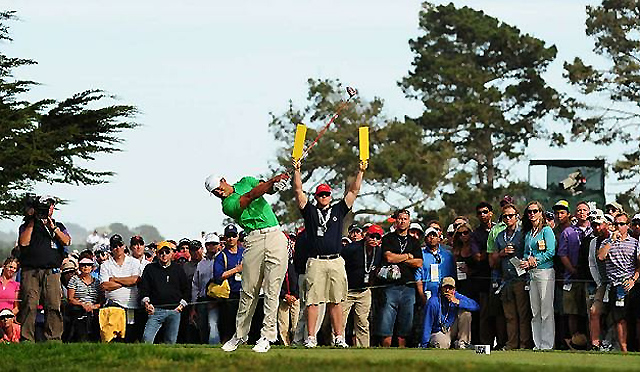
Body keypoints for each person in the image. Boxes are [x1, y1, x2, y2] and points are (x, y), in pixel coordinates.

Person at [205, 171, 290, 353]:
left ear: (224, 180)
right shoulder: (227, 206)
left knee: (272, 290)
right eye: (214, 193)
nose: (218, 193)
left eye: (218, 188)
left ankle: (267, 336)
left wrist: (275, 185)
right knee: (248, 291)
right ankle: (240, 335)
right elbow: (250, 196)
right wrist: (272, 181)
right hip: (254, 240)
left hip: (275, 235)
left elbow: (264, 188)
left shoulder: (246, 180)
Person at [292, 158, 366, 349]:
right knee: (312, 301)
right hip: (315, 261)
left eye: (326, 194)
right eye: (320, 195)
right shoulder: (310, 212)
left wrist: (360, 171)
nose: (324, 197)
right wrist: (297, 171)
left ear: (330, 196)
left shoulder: (338, 209)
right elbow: (298, 192)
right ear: (316, 197)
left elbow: (353, 191)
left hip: (335, 260)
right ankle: (310, 338)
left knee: (336, 300)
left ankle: (339, 337)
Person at [17, 195, 72, 342]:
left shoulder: (58, 225)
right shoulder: (28, 225)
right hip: (31, 271)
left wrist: (52, 227)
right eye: (46, 206)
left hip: (52, 271)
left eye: (51, 206)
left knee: (53, 304)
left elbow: (67, 241)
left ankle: (54, 339)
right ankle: (27, 339)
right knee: (29, 304)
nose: (49, 209)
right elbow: (23, 243)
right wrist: (32, 221)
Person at [378, 209, 423, 348]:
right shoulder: (388, 238)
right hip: (390, 286)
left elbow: (419, 263)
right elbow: (389, 258)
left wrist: (399, 258)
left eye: (405, 219)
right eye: (400, 218)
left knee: (405, 324)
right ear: (396, 221)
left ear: (409, 222)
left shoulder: (414, 242)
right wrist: (408, 256)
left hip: (409, 287)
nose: (402, 221)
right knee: (386, 323)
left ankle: (401, 352)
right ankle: (385, 354)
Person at [597, 213, 639, 353]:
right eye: (616, 224)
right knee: (620, 319)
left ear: (627, 226)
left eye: (622, 224)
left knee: (635, 317)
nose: (618, 227)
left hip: (632, 284)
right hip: (616, 285)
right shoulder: (607, 242)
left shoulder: (635, 242)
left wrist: (633, 279)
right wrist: (611, 241)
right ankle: (624, 350)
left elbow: (639, 265)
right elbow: (601, 256)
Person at [491, 203, 531, 350]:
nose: (508, 218)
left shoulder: (523, 233)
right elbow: (494, 258)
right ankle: (512, 344)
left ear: (517, 217)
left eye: (510, 215)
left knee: (523, 314)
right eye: (505, 216)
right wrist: (501, 253)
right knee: (509, 316)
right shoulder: (500, 236)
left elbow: (529, 253)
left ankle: (524, 344)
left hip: (520, 279)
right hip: (505, 280)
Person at [520, 201, 557, 350]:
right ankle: (538, 344)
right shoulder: (529, 233)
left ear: (541, 213)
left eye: (535, 211)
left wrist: (535, 261)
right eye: (529, 212)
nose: (532, 214)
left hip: (545, 272)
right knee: (535, 311)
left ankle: (547, 344)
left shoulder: (547, 230)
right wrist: (524, 262)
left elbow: (550, 252)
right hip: (531, 274)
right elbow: (525, 252)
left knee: (546, 310)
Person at [340, 224, 384, 347]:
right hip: (347, 290)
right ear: (366, 235)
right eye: (371, 236)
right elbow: (339, 263)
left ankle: (363, 348)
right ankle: (336, 344)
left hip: (364, 291)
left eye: (377, 237)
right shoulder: (352, 248)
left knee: (363, 323)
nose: (374, 240)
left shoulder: (379, 251)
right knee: (340, 321)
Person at [139, 241, 189, 344]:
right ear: (157, 254)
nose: (164, 255)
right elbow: (144, 288)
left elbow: (187, 289)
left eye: (167, 252)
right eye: (161, 252)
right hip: (155, 310)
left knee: (171, 342)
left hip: (174, 311)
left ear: (171, 254)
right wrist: (146, 303)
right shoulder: (150, 268)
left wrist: (182, 305)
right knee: (146, 340)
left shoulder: (178, 269)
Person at [100, 234, 144, 342]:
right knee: (113, 338)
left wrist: (114, 279)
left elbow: (135, 280)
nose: (118, 248)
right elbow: (104, 285)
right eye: (115, 246)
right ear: (111, 248)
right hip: (113, 306)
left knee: (129, 336)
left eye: (120, 245)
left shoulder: (134, 262)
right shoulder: (105, 265)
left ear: (124, 246)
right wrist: (126, 282)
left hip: (131, 305)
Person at [553, 200, 586, 344]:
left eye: (562, 212)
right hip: (564, 277)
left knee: (584, 312)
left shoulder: (588, 230)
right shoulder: (556, 232)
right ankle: (569, 341)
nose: (559, 215)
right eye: (557, 213)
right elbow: (560, 255)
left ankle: (585, 342)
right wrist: (571, 271)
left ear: (568, 214)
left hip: (586, 277)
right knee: (568, 311)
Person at [420, 277, 479, 349]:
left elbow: (476, 306)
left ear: (454, 289)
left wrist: (458, 302)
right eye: (445, 287)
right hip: (439, 331)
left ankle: (463, 343)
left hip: (452, 328)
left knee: (466, 313)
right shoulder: (433, 302)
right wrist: (424, 344)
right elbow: (427, 324)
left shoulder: (457, 296)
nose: (447, 290)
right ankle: (440, 344)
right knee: (442, 344)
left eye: (450, 288)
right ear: (441, 288)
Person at [214, 224, 245, 343]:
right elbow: (218, 276)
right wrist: (236, 270)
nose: (231, 239)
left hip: (244, 293)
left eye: (233, 236)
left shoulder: (244, 252)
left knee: (244, 325)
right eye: (228, 236)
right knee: (228, 327)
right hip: (229, 296)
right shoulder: (221, 256)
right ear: (225, 238)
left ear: (237, 237)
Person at [191, 232, 222, 344]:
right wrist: (193, 306)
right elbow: (195, 286)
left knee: (213, 325)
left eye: (214, 244)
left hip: (217, 299)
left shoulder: (222, 260)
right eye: (209, 244)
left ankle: (215, 349)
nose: (212, 246)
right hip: (202, 300)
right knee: (202, 327)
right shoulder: (201, 264)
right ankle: (205, 348)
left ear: (218, 245)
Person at [67, 257, 102, 341]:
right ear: (79, 267)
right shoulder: (74, 280)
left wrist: (94, 306)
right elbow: (70, 298)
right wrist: (82, 304)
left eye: (88, 265)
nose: (86, 267)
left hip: (93, 308)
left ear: (92, 268)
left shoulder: (97, 281)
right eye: (83, 265)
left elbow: (101, 299)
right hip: (79, 307)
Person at [277, 232, 300, 346]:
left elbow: (300, 278)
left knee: (296, 325)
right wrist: (284, 295)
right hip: (283, 298)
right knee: (283, 325)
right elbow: (274, 281)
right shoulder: (277, 259)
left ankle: (296, 343)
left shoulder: (297, 259)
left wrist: (295, 295)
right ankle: (285, 345)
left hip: (296, 298)